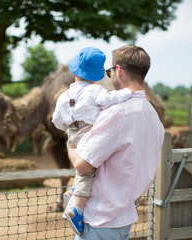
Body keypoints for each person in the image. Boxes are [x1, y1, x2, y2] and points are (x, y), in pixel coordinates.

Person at [66, 45, 164, 240]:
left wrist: (70, 143)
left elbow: (82, 164)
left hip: (99, 220)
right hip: (124, 216)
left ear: (118, 70)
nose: (110, 75)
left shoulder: (115, 114)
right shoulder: (153, 116)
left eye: (109, 71)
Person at [52, 47, 133, 235]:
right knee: (89, 170)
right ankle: (76, 210)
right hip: (89, 133)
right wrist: (127, 93)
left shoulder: (64, 96)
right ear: (96, 76)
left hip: (72, 132)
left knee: (82, 168)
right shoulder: (95, 90)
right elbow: (108, 100)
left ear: (73, 72)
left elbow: (56, 120)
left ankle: (72, 191)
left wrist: (69, 131)